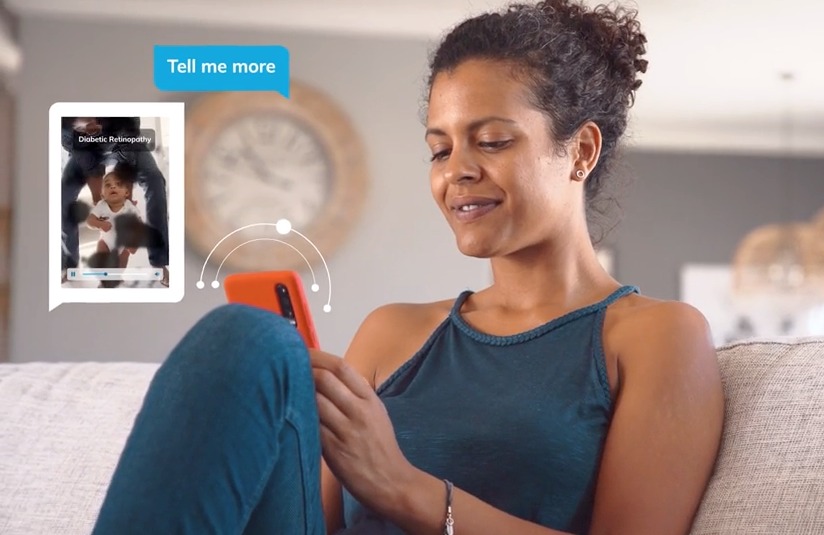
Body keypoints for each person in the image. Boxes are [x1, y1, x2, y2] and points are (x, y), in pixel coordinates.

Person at [91, 1, 725, 534]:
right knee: (249, 339)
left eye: (494, 141)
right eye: (439, 149)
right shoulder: (392, 333)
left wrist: (406, 488)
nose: (456, 172)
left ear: (580, 150)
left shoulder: (656, 337)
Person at [60, 116, 170, 286]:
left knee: (155, 181)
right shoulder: (70, 122)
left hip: (126, 143)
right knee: (63, 195)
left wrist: (127, 193)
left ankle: (159, 262)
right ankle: (68, 265)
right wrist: (99, 199)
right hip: (82, 148)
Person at [84, 166, 141, 287]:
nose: (113, 186)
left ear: (126, 192)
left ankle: (116, 277)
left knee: (121, 264)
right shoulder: (102, 205)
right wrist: (99, 224)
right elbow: (89, 220)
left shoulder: (129, 207)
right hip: (106, 241)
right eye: (108, 185)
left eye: (118, 184)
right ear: (103, 194)